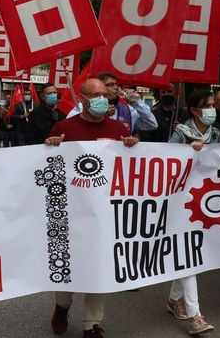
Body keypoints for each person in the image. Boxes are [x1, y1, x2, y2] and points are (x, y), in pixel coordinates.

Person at [45, 78, 140, 338]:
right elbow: (47, 166)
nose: (102, 99)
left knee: (99, 264)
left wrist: (131, 146)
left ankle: (92, 324)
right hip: (72, 211)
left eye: (104, 95)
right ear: (83, 99)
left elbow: (129, 168)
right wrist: (51, 145)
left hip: (105, 212)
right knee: (70, 265)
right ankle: (62, 305)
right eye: (95, 95)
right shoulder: (65, 127)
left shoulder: (119, 128)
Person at [166, 90, 218, 335]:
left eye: (213, 105)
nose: (212, 109)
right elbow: (166, 162)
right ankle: (195, 315)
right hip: (180, 203)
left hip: (205, 201)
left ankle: (174, 299)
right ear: (195, 110)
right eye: (207, 105)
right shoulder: (180, 134)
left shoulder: (215, 133)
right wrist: (190, 155)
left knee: (189, 252)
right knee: (189, 254)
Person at [67, 72, 157, 135]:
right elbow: (71, 128)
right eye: (110, 84)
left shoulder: (128, 109)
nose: (116, 87)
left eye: (116, 84)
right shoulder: (85, 106)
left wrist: (136, 102)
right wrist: (99, 117)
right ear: (100, 87)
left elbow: (152, 124)